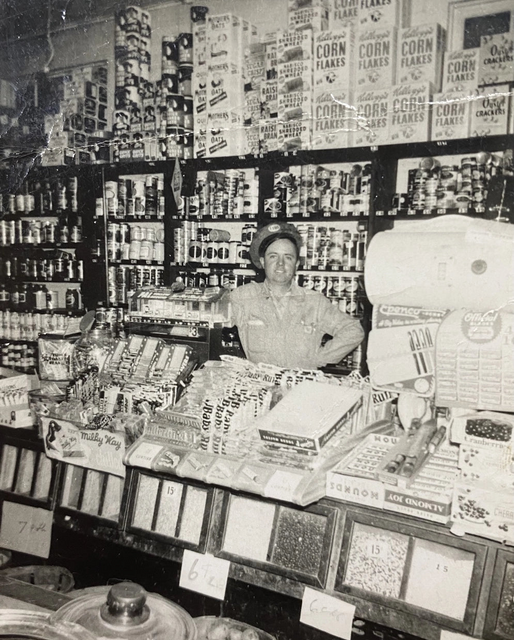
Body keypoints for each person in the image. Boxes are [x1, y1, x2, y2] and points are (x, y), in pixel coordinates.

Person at [230, 222, 364, 369]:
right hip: (259, 386)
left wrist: (318, 359)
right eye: (273, 256)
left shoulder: (315, 302)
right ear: (262, 262)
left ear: (297, 264)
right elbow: (208, 317)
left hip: (301, 387)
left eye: (288, 257)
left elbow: (353, 330)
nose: (280, 264)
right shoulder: (242, 297)